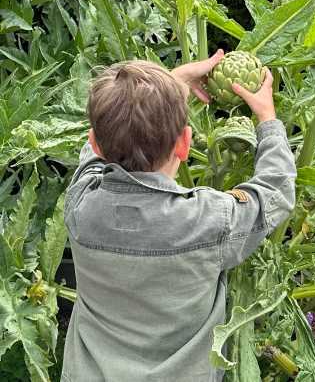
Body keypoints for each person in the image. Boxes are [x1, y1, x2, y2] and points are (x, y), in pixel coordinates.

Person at [61, 50, 296, 382]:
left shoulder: (81, 206)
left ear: (94, 144)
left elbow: (94, 151)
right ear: (185, 145)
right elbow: (275, 190)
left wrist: (170, 83)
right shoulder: (211, 221)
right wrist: (267, 119)